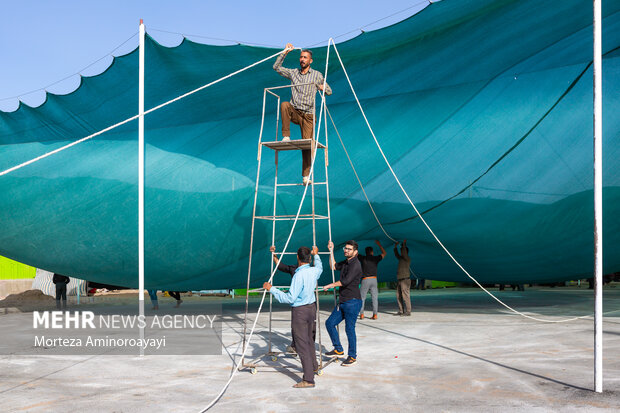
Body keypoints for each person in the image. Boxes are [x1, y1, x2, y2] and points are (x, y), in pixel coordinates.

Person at [273, 43, 332, 185]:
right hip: (296, 111)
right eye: (301, 57)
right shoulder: (294, 73)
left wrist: (322, 87)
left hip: (309, 116)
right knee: (285, 105)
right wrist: (285, 52)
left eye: (305, 57)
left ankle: (306, 176)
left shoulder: (316, 75)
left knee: (307, 144)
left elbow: (329, 91)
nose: (302, 59)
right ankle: (286, 136)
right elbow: (276, 68)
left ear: (310, 61)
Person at [264, 245, 322, 388]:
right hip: (311, 308)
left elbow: (290, 298)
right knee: (309, 340)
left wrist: (272, 289)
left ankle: (309, 379)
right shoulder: (314, 271)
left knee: (301, 344)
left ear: (298, 257)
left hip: (301, 311)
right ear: (309, 258)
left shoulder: (298, 275)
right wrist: (317, 255)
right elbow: (320, 267)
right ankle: (314, 367)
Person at [270, 245, 317, 354]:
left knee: (309, 328)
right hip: (302, 303)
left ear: (297, 257)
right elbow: (280, 265)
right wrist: (274, 254)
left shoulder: (311, 269)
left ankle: (308, 349)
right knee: (298, 328)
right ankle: (296, 346)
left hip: (307, 303)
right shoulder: (296, 269)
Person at [323, 240, 363, 366]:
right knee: (330, 323)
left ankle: (352, 356)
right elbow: (333, 266)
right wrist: (331, 251)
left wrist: (331, 285)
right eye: (345, 248)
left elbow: (345, 281)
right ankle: (338, 349)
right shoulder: (346, 262)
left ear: (355, 252)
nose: (346, 250)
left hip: (353, 301)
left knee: (349, 329)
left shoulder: (356, 264)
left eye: (349, 249)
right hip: (343, 301)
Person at [357, 240, 386, 320]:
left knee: (362, 298)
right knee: (374, 298)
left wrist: (354, 246)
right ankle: (375, 315)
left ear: (366, 252)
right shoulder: (375, 258)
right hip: (374, 280)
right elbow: (384, 254)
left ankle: (362, 314)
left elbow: (355, 253)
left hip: (365, 280)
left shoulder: (363, 258)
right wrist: (379, 245)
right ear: (372, 252)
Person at [394, 240, 412, 316]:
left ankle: (408, 312)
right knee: (398, 296)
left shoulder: (407, 258)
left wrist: (403, 245)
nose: (401, 252)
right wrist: (395, 247)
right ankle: (401, 311)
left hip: (405, 280)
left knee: (405, 296)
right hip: (400, 279)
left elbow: (404, 253)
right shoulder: (401, 258)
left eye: (402, 251)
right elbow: (396, 254)